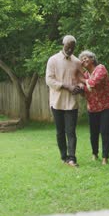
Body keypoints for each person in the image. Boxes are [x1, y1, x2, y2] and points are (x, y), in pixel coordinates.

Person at [45, 35, 83, 167]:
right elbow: (49, 80)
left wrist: (80, 88)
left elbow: (81, 80)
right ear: (63, 44)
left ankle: (72, 158)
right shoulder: (53, 60)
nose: (70, 49)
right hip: (57, 102)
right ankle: (63, 156)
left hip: (72, 103)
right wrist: (66, 86)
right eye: (68, 46)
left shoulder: (77, 62)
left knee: (71, 131)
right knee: (60, 131)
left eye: (72, 47)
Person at [78, 50, 109, 165]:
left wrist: (81, 80)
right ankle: (94, 154)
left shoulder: (101, 69)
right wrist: (80, 90)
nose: (84, 60)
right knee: (93, 133)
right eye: (82, 59)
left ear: (92, 59)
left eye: (86, 58)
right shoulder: (85, 75)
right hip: (93, 108)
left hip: (108, 106)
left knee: (105, 132)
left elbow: (93, 83)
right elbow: (85, 93)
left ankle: (105, 157)